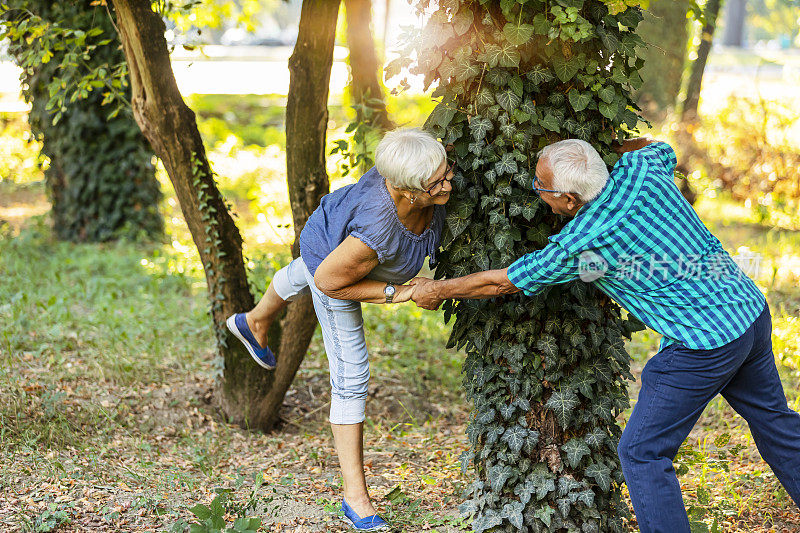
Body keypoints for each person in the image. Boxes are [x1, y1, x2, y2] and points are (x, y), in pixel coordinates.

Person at [410, 138, 800, 532]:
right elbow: (660, 147)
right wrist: (613, 144)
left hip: (704, 344)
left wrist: (436, 288)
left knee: (641, 453)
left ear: (568, 199)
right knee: (775, 422)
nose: (536, 191)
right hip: (747, 309)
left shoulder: (581, 241)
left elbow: (503, 283)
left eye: (539, 187)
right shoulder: (641, 170)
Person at [226, 128, 453, 531]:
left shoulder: (415, 164)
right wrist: (399, 292)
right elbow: (330, 280)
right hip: (333, 263)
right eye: (436, 182)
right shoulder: (376, 231)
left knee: (303, 269)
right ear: (406, 190)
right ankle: (355, 500)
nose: (447, 183)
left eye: (444, 170)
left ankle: (255, 319)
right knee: (351, 376)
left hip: (332, 234)